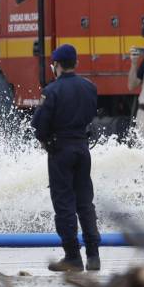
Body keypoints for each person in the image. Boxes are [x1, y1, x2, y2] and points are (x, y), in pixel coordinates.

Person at [31, 44, 101, 272]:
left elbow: (40, 125)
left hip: (60, 150)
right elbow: (92, 114)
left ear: (56, 65)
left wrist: (46, 140)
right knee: (85, 202)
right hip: (83, 147)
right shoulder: (89, 87)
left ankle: (72, 256)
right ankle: (93, 255)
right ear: (76, 63)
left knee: (64, 204)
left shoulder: (51, 91)